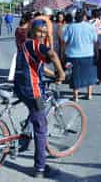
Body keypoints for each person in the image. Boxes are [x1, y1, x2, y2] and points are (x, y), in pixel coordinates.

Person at [14, 19, 65, 178]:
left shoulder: (25, 45)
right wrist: (62, 73)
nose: (42, 34)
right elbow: (52, 54)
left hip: (21, 88)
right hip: (31, 90)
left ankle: (23, 141)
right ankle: (40, 168)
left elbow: (40, 67)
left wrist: (54, 74)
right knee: (41, 128)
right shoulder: (34, 44)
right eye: (39, 31)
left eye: (44, 32)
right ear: (32, 31)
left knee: (34, 113)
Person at [63, 9, 97, 101]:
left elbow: (64, 40)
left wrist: (63, 52)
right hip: (88, 54)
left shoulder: (70, 27)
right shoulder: (90, 27)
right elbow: (95, 40)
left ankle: (75, 96)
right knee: (89, 74)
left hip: (73, 55)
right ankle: (89, 94)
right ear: (84, 17)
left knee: (74, 75)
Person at [90, 10, 101, 85]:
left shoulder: (89, 22)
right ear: (99, 15)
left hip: (93, 45)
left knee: (94, 62)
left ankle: (95, 78)